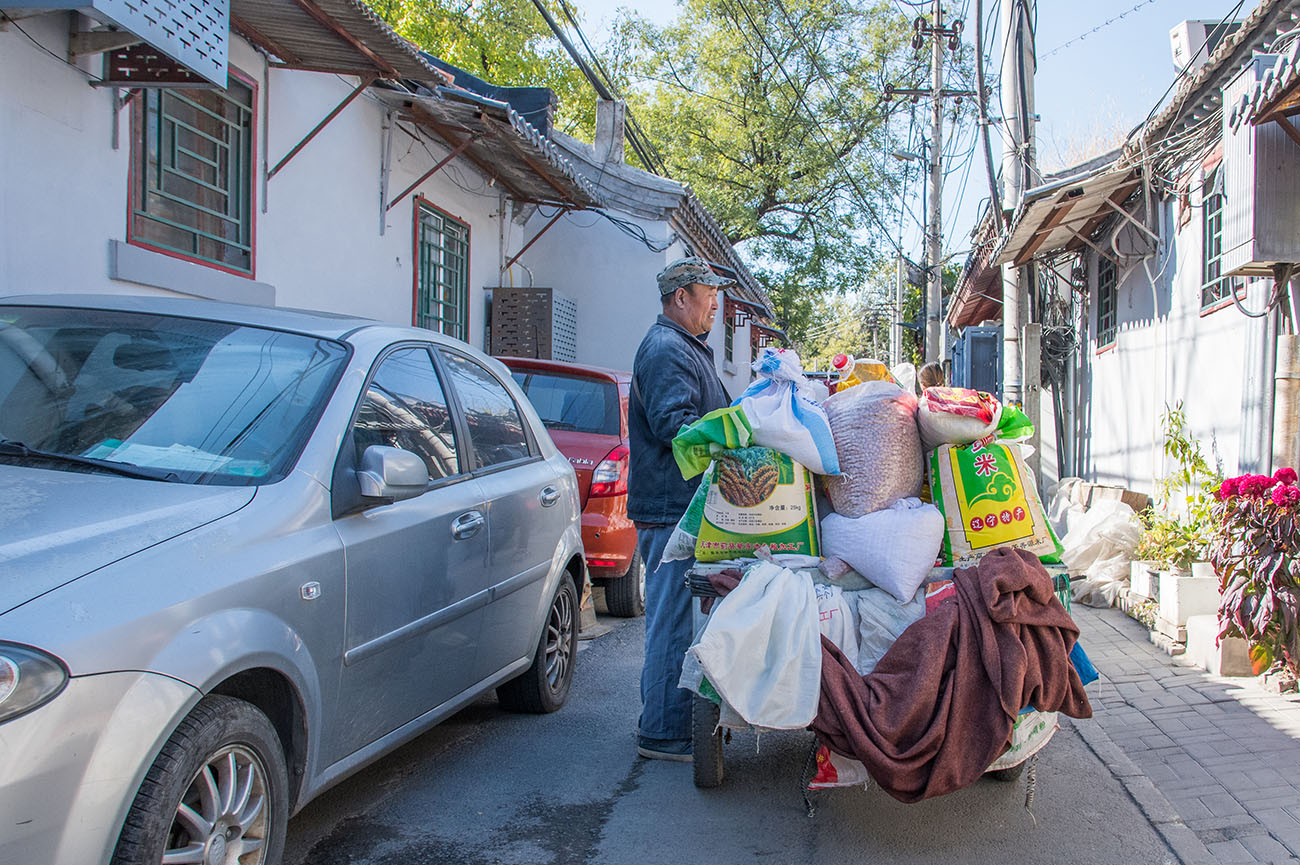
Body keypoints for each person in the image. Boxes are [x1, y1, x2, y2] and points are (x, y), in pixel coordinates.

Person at [627, 256, 734, 762]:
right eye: (707, 293)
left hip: (681, 506)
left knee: (676, 618)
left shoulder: (686, 347)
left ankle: (665, 721)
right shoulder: (667, 349)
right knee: (670, 620)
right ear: (680, 298)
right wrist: (732, 441)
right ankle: (664, 733)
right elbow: (678, 427)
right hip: (672, 509)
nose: (715, 303)